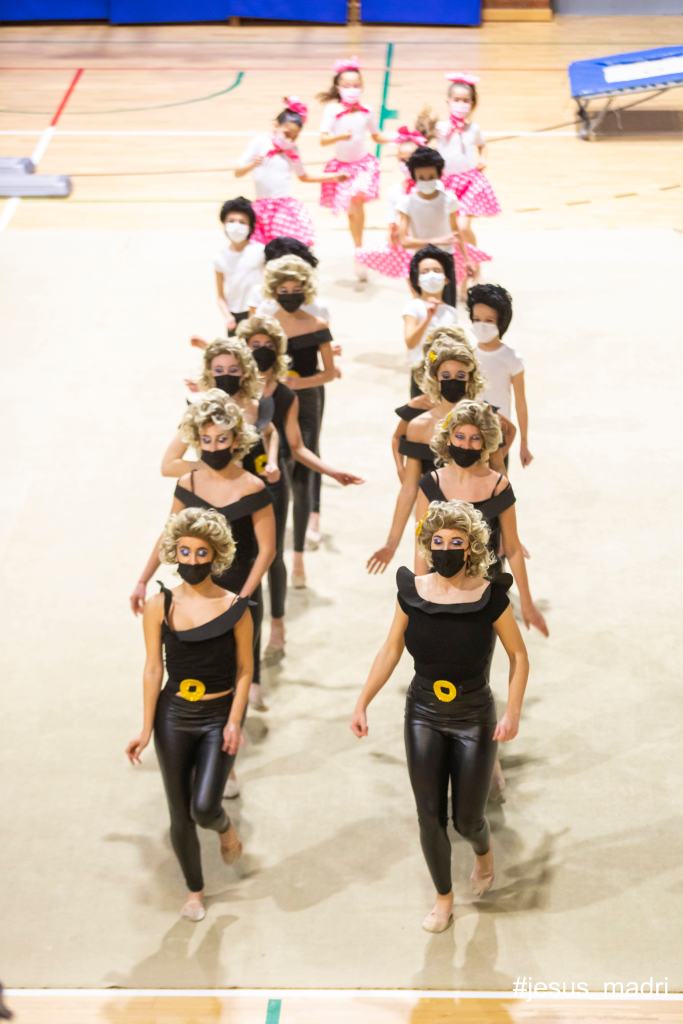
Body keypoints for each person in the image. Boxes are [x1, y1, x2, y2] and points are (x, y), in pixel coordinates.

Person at [352, 499, 528, 932]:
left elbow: (518, 656)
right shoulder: (412, 591)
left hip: (473, 715)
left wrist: (512, 713)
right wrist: (362, 701)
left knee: (468, 819)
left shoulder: (491, 597)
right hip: (423, 711)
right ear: (428, 545)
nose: (446, 549)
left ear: (471, 548)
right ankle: (443, 898)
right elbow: (390, 650)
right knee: (429, 815)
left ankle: (484, 853)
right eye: (439, 541)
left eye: (456, 542)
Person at [126, 507, 253, 923]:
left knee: (204, 807)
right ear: (173, 553)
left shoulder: (236, 607)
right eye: (184, 552)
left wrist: (234, 720)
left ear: (215, 554)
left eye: (201, 553)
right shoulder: (159, 604)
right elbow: (152, 668)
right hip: (174, 714)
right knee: (179, 811)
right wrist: (146, 728)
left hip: (219, 714)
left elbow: (245, 669)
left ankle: (224, 828)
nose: (192, 561)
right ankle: (195, 891)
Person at [130, 392, 275, 713]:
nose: (213, 447)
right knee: (203, 663)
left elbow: (267, 549)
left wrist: (245, 597)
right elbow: (169, 534)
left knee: (240, 663)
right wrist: (142, 580)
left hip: (240, 586)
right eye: (206, 440)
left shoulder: (253, 487)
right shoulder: (188, 483)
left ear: (235, 439)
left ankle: (237, 718)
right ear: (197, 440)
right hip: (198, 587)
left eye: (222, 439)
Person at [236, 314, 364, 660]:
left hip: (274, 482)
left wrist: (332, 472)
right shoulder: (235, 392)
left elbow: (297, 447)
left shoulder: (285, 395)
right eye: (254, 345)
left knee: (272, 556)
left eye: (267, 345)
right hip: (237, 482)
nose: (261, 350)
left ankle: (277, 623)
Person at [369, 331, 514, 574]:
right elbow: (409, 489)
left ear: (471, 378)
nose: (453, 381)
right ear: (435, 378)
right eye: (446, 376)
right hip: (437, 531)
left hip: (482, 523)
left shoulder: (485, 419)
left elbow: (499, 471)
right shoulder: (419, 426)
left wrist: (509, 536)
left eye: (460, 376)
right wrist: (391, 544)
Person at [414, 400, 548, 636]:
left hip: (486, 591)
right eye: (460, 436)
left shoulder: (499, 486)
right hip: (440, 587)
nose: (466, 445)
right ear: (448, 438)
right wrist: (420, 597)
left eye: (475, 438)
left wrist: (527, 604)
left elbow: (513, 549)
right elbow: (421, 547)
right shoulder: (430, 484)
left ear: (485, 441)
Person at [263, 255, 337, 588]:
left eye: (296, 289)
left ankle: (298, 557)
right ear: (273, 290)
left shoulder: (317, 325)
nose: (290, 295)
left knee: (304, 467)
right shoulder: (266, 326)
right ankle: (270, 547)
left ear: (305, 290)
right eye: (284, 290)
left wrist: (300, 383)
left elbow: (330, 372)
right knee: (271, 466)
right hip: (272, 399)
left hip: (307, 400)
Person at [235, 97, 348, 248]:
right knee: (261, 247)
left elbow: (304, 176)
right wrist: (251, 165)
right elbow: (237, 172)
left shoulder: (292, 150)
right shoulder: (260, 142)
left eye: (295, 136)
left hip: (284, 207)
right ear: (276, 125)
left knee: (288, 245)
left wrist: (334, 177)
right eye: (287, 133)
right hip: (262, 206)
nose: (290, 139)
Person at [318, 56, 393, 279]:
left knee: (356, 202)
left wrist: (399, 139)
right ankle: (358, 247)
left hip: (363, 165)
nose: (352, 90)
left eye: (356, 85)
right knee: (351, 212)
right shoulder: (332, 110)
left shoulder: (366, 111)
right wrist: (339, 136)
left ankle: (360, 251)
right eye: (347, 86)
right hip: (341, 168)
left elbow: (377, 136)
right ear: (338, 87)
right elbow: (323, 139)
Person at [418, 72, 501, 253]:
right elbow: (422, 140)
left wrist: (483, 159)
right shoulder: (441, 127)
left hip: (469, 182)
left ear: (472, 103)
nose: (461, 104)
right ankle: (458, 257)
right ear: (448, 101)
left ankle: (474, 257)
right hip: (446, 183)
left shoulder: (473, 129)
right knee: (450, 227)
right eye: (456, 100)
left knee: (463, 226)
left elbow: (482, 146)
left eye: (465, 100)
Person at [396, 146, 490, 301]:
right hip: (420, 261)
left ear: (439, 175)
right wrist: (437, 241)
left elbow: (456, 232)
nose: (426, 181)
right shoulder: (406, 203)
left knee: (448, 304)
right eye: (421, 178)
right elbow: (404, 241)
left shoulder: (449, 199)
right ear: (414, 177)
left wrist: (467, 259)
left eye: (431, 176)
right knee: (422, 305)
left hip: (446, 259)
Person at [466, 283, 532, 468]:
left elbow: (520, 403)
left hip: (498, 435)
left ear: (501, 322)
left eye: (489, 320)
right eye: (477, 319)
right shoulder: (466, 356)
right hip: (467, 433)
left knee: (496, 481)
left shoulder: (512, 359)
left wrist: (524, 443)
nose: (482, 325)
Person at [213, 197, 265, 336]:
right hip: (235, 318)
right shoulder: (220, 258)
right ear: (224, 224)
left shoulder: (260, 251)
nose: (236, 226)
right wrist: (228, 317)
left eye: (242, 222)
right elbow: (220, 296)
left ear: (250, 226)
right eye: (231, 221)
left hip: (259, 313)